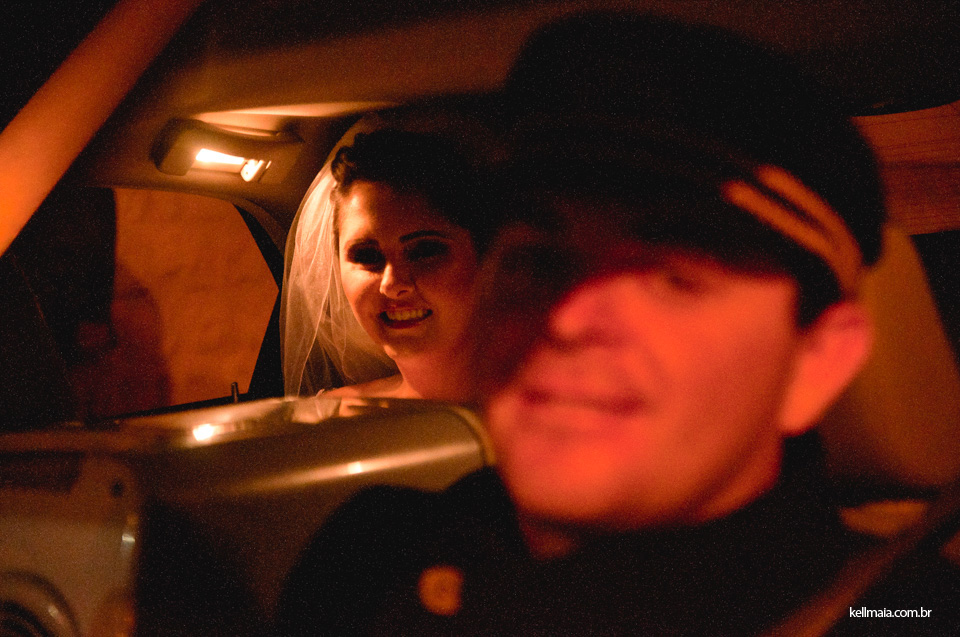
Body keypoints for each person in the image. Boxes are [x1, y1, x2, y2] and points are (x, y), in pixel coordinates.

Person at [277, 13, 959, 635]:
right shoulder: (368, 559)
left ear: (817, 362)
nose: (567, 317)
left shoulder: (898, 611)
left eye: (671, 278)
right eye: (539, 261)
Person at [281, 117, 500, 400]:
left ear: (485, 257)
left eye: (423, 251)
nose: (392, 284)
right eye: (367, 255)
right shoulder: (331, 412)